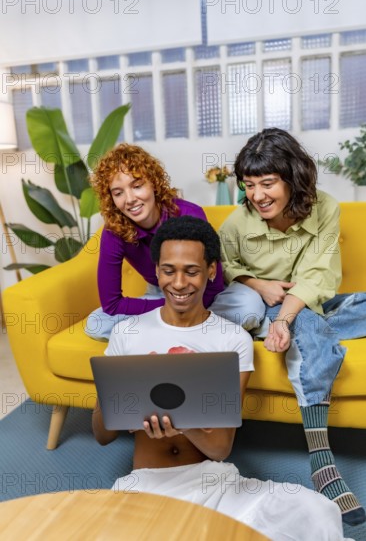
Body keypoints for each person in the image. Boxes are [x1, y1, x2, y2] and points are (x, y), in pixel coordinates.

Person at [92, 215, 348, 541]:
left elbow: (220, 448)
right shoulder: (127, 333)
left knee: (316, 510)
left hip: (213, 483)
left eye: (192, 271)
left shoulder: (232, 340)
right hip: (147, 483)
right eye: (169, 270)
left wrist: (182, 420)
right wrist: (119, 408)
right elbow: (101, 434)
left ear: (211, 271)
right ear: (156, 270)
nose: (179, 283)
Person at [218, 127, 366, 526]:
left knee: (316, 317)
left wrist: (287, 314)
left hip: (306, 301)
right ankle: (322, 461)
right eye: (249, 185)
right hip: (268, 307)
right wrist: (258, 284)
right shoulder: (236, 225)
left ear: (293, 178)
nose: (258, 195)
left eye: (268, 183)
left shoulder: (326, 209)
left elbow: (319, 275)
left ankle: (307, 324)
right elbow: (227, 271)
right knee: (310, 329)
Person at [85, 143, 257, 341]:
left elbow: (214, 285)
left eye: (137, 186)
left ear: (154, 183)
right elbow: (112, 304)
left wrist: (180, 309)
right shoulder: (113, 232)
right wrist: (169, 307)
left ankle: (168, 332)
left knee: (249, 308)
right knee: (97, 324)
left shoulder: (189, 214)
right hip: (160, 295)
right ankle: (196, 331)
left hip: (202, 292)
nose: (130, 199)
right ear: (111, 198)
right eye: (118, 193)